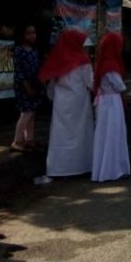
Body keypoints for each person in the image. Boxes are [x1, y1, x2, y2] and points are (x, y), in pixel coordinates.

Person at [38, 28, 95, 181]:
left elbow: (51, 84)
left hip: (61, 103)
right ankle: (81, 165)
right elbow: (90, 82)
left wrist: (53, 98)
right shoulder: (83, 60)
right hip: (79, 103)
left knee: (60, 135)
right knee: (81, 134)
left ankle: (59, 168)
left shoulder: (58, 58)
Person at [91, 32, 130, 183]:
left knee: (104, 135)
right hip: (112, 103)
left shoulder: (103, 63)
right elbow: (119, 85)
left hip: (104, 102)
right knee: (113, 134)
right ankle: (112, 169)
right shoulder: (111, 65)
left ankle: (104, 168)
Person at [11, 23, 43, 153]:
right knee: (26, 112)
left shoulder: (35, 51)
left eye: (33, 32)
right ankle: (17, 141)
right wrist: (27, 86)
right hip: (23, 85)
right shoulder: (19, 50)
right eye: (28, 33)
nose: (32, 36)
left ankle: (29, 139)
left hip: (34, 83)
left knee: (32, 112)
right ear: (22, 35)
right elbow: (20, 71)